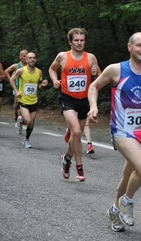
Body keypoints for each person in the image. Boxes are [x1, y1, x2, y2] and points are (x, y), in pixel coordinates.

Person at [87, 32, 141, 232]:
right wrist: (93, 106)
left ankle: (114, 211)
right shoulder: (116, 70)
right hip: (121, 131)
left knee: (127, 177)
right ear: (130, 47)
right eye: (140, 45)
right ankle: (128, 202)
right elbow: (94, 86)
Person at [49, 28, 101, 182]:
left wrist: (96, 72)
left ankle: (66, 160)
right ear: (70, 41)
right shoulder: (62, 56)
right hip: (67, 98)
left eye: (82, 40)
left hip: (83, 100)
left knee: (74, 135)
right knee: (77, 132)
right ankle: (80, 168)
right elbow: (52, 69)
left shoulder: (91, 58)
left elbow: (100, 78)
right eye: (76, 40)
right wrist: (54, 80)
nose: (79, 43)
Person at [9, 52, 48, 148]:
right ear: (26, 60)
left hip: (34, 100)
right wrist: (16, 91)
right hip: (24, 100)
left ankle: (26, 140)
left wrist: (43, 85)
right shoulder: (21, 71)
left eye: (34, 58)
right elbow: (11, 79)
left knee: (31, 123)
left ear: (36, 60)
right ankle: (20, 120)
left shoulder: (39, 72)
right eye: (30, 58)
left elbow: (39, 85)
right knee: (28, 120)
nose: (32, 60)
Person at [5, 49, 28, 121]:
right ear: (20, 57)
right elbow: (6, 71)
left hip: (25, 87)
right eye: (24, 56)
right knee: (16, 103)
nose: (25, 58)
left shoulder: (29, 65)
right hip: (17, 86)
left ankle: (21, 117)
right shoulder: (16, 66)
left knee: (24, 103)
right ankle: (16, 113)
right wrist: (10, 79)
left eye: (27, 56)